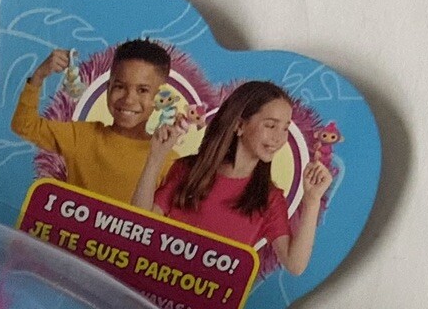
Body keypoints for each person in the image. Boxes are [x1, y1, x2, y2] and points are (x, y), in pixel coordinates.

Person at [132, 80, 333, 275]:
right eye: (271, 126)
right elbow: (137, 225)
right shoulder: (188, 170)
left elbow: (295, 265)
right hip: (158, 282)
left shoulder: (269, 199)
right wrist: (155, 157)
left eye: (285, 128)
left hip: (210, 295)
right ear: (239, 125)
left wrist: (312, 201)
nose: (279, 138)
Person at [11, 39, 182, 204]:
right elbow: (24, 125)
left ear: (161, 97)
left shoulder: (167, 161)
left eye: (142, 90)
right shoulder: (82, 136)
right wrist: (38, 77)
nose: (129, 99)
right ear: (108, 88)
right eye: (120, 87)